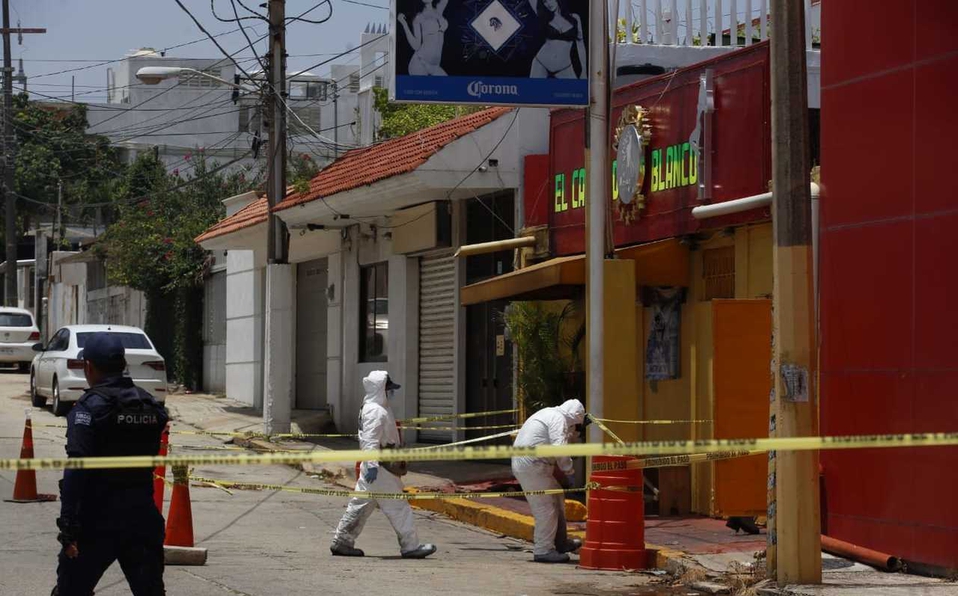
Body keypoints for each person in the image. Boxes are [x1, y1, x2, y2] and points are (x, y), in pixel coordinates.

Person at [53, 332, 169, 596]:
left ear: (89, 366)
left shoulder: (89, 408)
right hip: (141, 516)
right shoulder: (147, 404)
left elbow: (77, 470)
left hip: (96, 521)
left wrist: (68, 526)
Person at [330, 370, 437, 559]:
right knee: (398, 506)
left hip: (374, 467)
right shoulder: (376, 411)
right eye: (389, 389)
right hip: (381, 468)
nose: (391, 393)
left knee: (360, 504)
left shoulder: (372, 407)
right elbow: (370, 440)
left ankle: (342, 542)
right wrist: (372, 465)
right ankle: (410, 546)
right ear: (381, 390)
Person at [512, 399, 586, 563]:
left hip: (532, 465)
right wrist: (569, 470)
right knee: (546, 508)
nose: (574, 428)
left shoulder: (549, 413)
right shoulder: (558, 419)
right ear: (574, 416)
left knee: (557, 497)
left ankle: (560, 543)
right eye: (575, 424)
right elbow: (559, 448)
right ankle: (543, 550)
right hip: (532, 466)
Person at [529, 0, 585, 79]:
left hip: (564, 67)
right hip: (541, 63)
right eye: (545, 2)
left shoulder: (575, 18)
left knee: (574, 90)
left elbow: (581, 47)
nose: (548, 4)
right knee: (533, 91)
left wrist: (584, 71)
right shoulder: (544, 17)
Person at [398, 0, 449, 76]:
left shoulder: (439, 10)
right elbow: (416, 45)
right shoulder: (419, 17)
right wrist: (404, 24)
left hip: (435, 66)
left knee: (448, 86)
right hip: (420, 64)